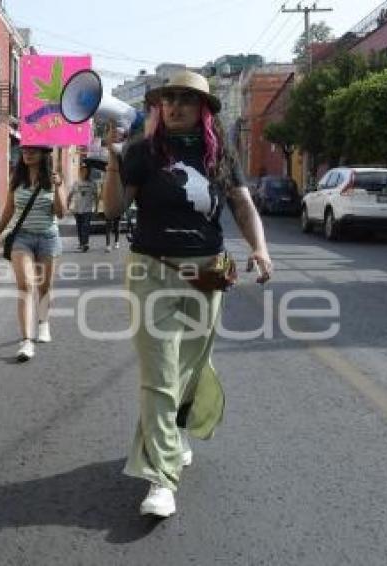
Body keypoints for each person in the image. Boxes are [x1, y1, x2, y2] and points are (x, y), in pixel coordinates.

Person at [102, 70, 273, 518]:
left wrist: (260, 248)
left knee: (191, 368)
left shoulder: (220, 154)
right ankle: (161, 478)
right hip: (152, 272)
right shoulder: (142, 153)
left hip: (208, 274)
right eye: (168, 99)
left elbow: (242, 204)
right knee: (159, 376)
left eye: (186, 99)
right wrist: (114, 161)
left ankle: (176, 435)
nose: (175, 106)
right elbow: (115, 209)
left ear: (203, 110)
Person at [0, 145, 65, 362]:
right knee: (25, 286)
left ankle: (43, 323)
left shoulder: (54, 180)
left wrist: (58, 187)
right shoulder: (16, 179)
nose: (28, 154)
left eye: (33, 150)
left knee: (45, 286)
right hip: (21, 238)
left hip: (48, 239)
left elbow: (61, 213)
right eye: (25, 151)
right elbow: (8, 209)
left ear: (43, 154)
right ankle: (26, 341)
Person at [66, 162, 98, 252]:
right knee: (79, 227)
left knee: (85, 227)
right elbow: (70, 195)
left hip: (87, 210)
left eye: (86, 171)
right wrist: (67, 206)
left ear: (88, 172)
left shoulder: (92, 184)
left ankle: (85, 244)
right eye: (82, 171)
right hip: (77, 209)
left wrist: (96, 208)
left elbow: (96, 196)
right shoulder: (76, 183)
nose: (84, 172)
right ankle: (81, 243)